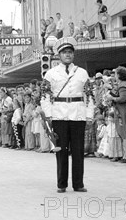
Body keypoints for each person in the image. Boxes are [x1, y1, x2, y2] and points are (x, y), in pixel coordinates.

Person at [40, 37, 94, 193]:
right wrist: (49, 115)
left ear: (74, 55)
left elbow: (89, 95)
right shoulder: (50, 74)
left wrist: (89, 115)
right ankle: (61, 184)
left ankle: (78, 184)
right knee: (61, 150)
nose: (68, 55)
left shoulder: (82, 73)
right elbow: (44, 96)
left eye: (70, 52)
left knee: (78, 151)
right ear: (59, 55)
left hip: (78, 114)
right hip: (59, 115)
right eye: (64, 52)